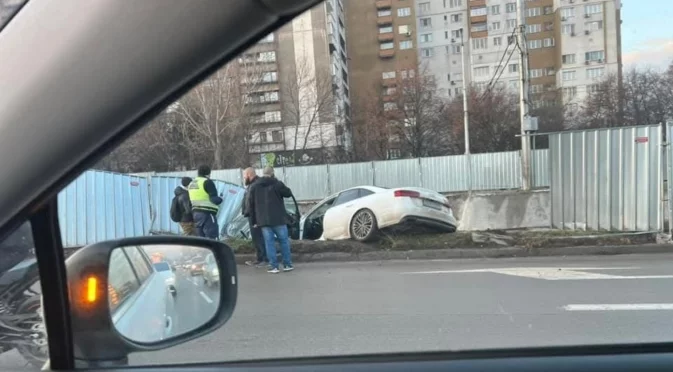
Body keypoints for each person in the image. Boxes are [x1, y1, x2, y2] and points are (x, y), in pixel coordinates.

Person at [248, 166, 294, 274]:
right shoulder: (277, 184)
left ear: (262, 173)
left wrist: (254, 221)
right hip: (278, 219)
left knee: (269, 243)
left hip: (263, 220)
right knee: (284, 241)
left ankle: (274, 266)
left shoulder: (255, 186)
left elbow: (251, 204)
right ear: (273, 173)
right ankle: (287, 264)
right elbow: (288, 193)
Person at [188, 165, 223, 240]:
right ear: (208, 173)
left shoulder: (192, 183)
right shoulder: (207, 182)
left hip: (196, 214)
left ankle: (203, 252)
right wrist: (221, 198)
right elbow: (214, 200)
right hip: (207, 213)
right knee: (212, 237)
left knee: (201, 239)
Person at [242, 168, 267, 267]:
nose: (244, 178)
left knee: (259, 238)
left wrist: (255, 218)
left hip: (256, 216)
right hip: (253, 215)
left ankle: (264, 259)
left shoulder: (256, 185)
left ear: (249, 174)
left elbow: (256, 202)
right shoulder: (252, 185)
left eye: (244, 176)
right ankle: (259, 258)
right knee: (256, 238)